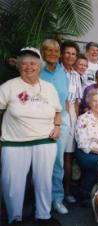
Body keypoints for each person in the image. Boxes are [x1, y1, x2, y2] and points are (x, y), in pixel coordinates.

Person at [0, 47, 61, 225]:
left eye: (33, 63)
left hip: (45, 140)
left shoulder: (49, 88)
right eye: (24, 63)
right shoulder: (9, 87)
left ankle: (43, 216)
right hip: (15, 143)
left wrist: (57, 126)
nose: (29, 67)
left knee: (44, 182)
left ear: (39, 66)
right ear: (19, 66)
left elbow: (58, 110)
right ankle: (15, 218)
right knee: (13, 184)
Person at [40, 39, 70, 214]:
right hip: (41, 123)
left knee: (58, 162)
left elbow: (65, 99)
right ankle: (40, 199)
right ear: (43, 52)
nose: (52, 53)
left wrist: (65, 122)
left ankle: (57, 199)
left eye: (56, 50)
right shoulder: (38, 71)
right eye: (48, 50)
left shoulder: (62, 73)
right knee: (41, 163)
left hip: (61, 122)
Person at [60, 40, 83, 204]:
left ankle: (66, 192)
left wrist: (75, 122)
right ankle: (52, 194)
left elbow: (76, 101)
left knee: (68, 155)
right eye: (67, 53)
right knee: (55, 157)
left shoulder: (76, 75)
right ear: (62, 54)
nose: (70, 56)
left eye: (73, 54)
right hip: (57, 115)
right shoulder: (55, 73)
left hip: (72, 117)